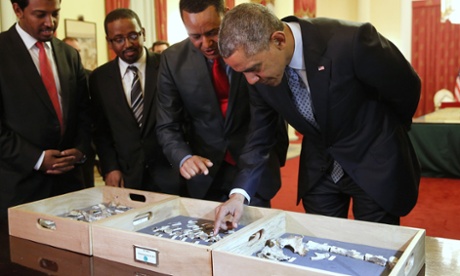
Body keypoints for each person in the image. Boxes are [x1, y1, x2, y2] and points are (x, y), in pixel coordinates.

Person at [214, 3, 421, 233]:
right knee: (320, 249)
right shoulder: (257, 75)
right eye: (243, 73)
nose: (251, 80)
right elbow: (259, 136)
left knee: (375, 251)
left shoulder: (351, 41)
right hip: (319, 170)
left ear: (279, 40)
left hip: (372, 162)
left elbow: (406, 87)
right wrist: (238, 195)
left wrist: (387, 134)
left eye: (255, 68)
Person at [156, 0, 288, 206]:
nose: (206, 44)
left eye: (212, 32)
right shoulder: (172, 61)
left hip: (254, 167)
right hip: (205, 175)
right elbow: (167, 124)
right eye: (196, 36)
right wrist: (183, 158)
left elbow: (266, 113)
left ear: (225, 14)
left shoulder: (251, 47)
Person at [0, 0, 92, 218]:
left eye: (55, 14)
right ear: (17, 10)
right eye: (40, 15)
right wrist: (37, 159)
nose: (50, 23)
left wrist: (80, 149)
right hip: (19, 188)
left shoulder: (69, 54)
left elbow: (84, 112)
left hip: (70, 186)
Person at [89, 8, 183, 194]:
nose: (128, 44)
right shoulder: (99, 78)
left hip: (172, 173)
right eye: (119, 39)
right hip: (128, 177)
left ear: (143, 34)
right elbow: (101, 130)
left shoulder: (167, 65)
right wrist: (110, 167)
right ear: (109, 42)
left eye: (133, 35)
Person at [63, 36, 97, 188]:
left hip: (85, 149)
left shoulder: (91, 76)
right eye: (72, 51)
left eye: (78, 51)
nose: (75, 55)